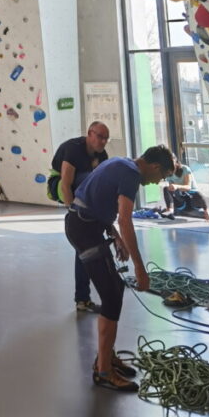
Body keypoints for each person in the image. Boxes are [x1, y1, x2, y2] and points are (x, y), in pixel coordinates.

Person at [65, 145, 175, 392]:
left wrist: (114, 237)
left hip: (84, 225)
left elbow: (95, 200)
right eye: (162, 176)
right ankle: (103, 371)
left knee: (113, 288)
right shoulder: (131, 175)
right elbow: (125, 219)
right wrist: (140, 268)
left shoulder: (120, 163)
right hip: (84, 230)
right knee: (112, 295)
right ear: (155, 167)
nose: (158, 182)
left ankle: (106, 357)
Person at [48, 122, 110, 313]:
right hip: (59, 185)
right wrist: (73, 214)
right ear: (89, 134)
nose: (103, 142)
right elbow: (66, 185)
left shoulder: (103, 156)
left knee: (84, 249)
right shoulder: (74, 149)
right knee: (88, 179)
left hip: (83, 193)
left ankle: (82, 299)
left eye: (106, 138)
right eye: (99, 137)